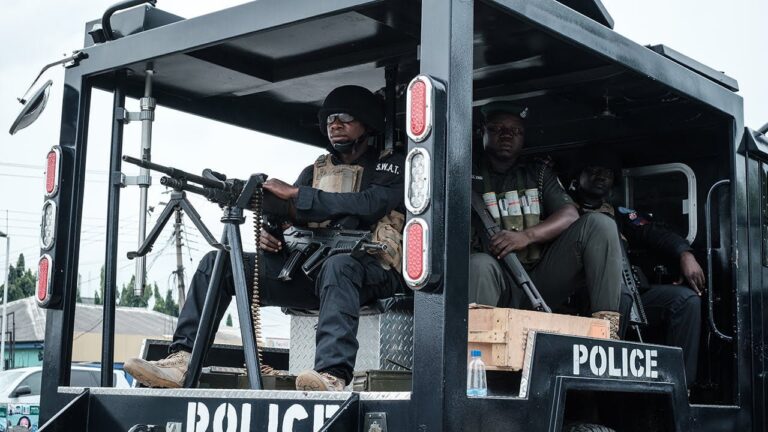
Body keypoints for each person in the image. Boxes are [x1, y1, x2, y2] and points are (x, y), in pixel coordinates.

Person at [125, 85, 405, 391]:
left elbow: (369, 205)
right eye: (329, 120)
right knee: (217, 264)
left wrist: (298, 195)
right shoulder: (314, 171)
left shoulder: (389, 165)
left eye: (345, 117)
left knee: (339, 266)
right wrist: (271, 229)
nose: (334, 125)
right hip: (312, 271)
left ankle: (331, 375)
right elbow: (289, 216)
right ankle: (183, 360)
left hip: (370, 271)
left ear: (367, 123)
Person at [469, 102, 623, 338]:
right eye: (498, 128)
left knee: (600, 224)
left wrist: (525, 236)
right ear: (482, 132)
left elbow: (570, 215)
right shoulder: (463, 172)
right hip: (492, 280)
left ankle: (607, 332)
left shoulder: (537, 173)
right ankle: (479, 350)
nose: (507, 135)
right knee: (479, 264)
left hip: (538, 280)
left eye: (515, 131)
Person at [572, 160, 702, 385]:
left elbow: (655, 233)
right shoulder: (566, 211)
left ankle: (680, 387)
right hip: (583, 295)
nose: (601, 176)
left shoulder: (620, 215)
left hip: (629, 290)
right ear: (577, 177)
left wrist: (684, 254)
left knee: (685, 301)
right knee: (619, 297)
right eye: (593, 169)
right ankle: (606, 385)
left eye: (606, 172)